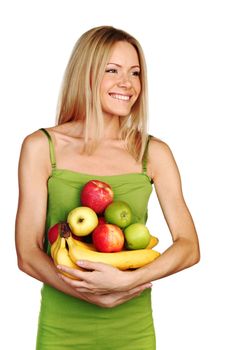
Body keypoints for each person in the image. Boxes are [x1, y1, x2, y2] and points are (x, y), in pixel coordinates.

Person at [15, 26, 200, 350]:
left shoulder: (153, 153)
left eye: (135, 72)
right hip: (62, 330)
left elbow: (189, 246)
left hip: (133, 330)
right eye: (111, 70)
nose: (126, 84)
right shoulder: (42, 147)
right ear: (85, 75)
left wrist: (129, 280)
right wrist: (93, 292)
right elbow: (28, 254)